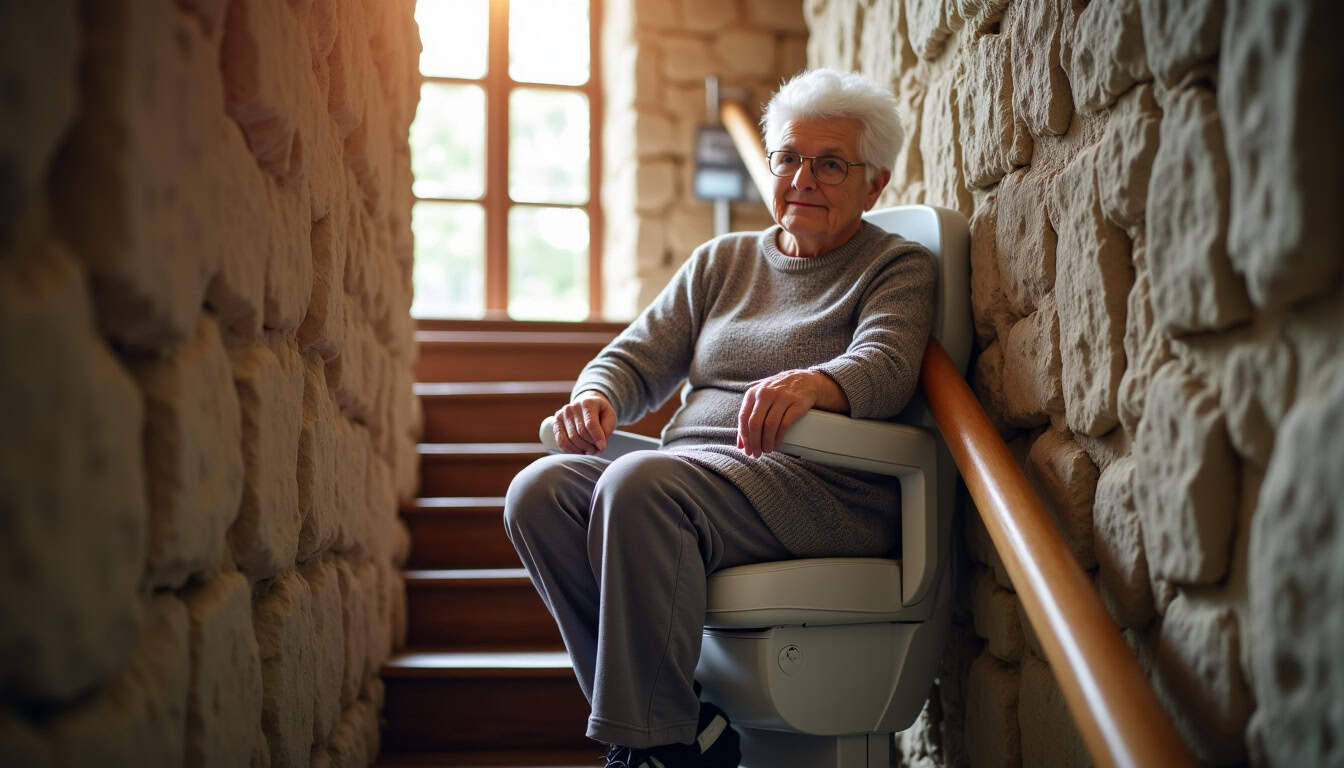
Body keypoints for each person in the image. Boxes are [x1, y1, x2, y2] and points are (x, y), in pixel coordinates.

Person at [503, 68, 936, 768]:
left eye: (830, 163)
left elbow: (886, 366)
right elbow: (633, 357)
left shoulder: (896, 267)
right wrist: (598, 395)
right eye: (789, 157)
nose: (803, 178)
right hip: (699, 480)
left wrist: (818, 383)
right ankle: (679, 726)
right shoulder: (722, 262)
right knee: (540, 492)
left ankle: (655, 748)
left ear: (875, 184)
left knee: (637, 484)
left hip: (813, 490)